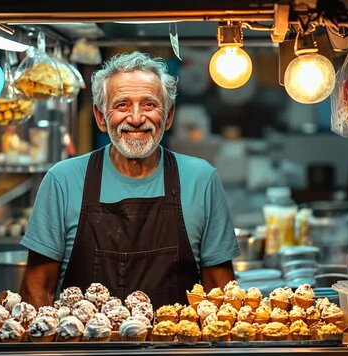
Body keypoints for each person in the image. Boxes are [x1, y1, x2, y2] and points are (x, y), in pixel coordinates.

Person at [19, 51, 239, 309]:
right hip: (83, 348)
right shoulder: (63, 180)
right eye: (122, 105)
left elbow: (220, 293)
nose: (136, 119)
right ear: (101, 117)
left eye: (149, 105)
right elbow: (37, 291)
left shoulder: (201, 179)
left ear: (168, 117)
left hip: (177, 347)